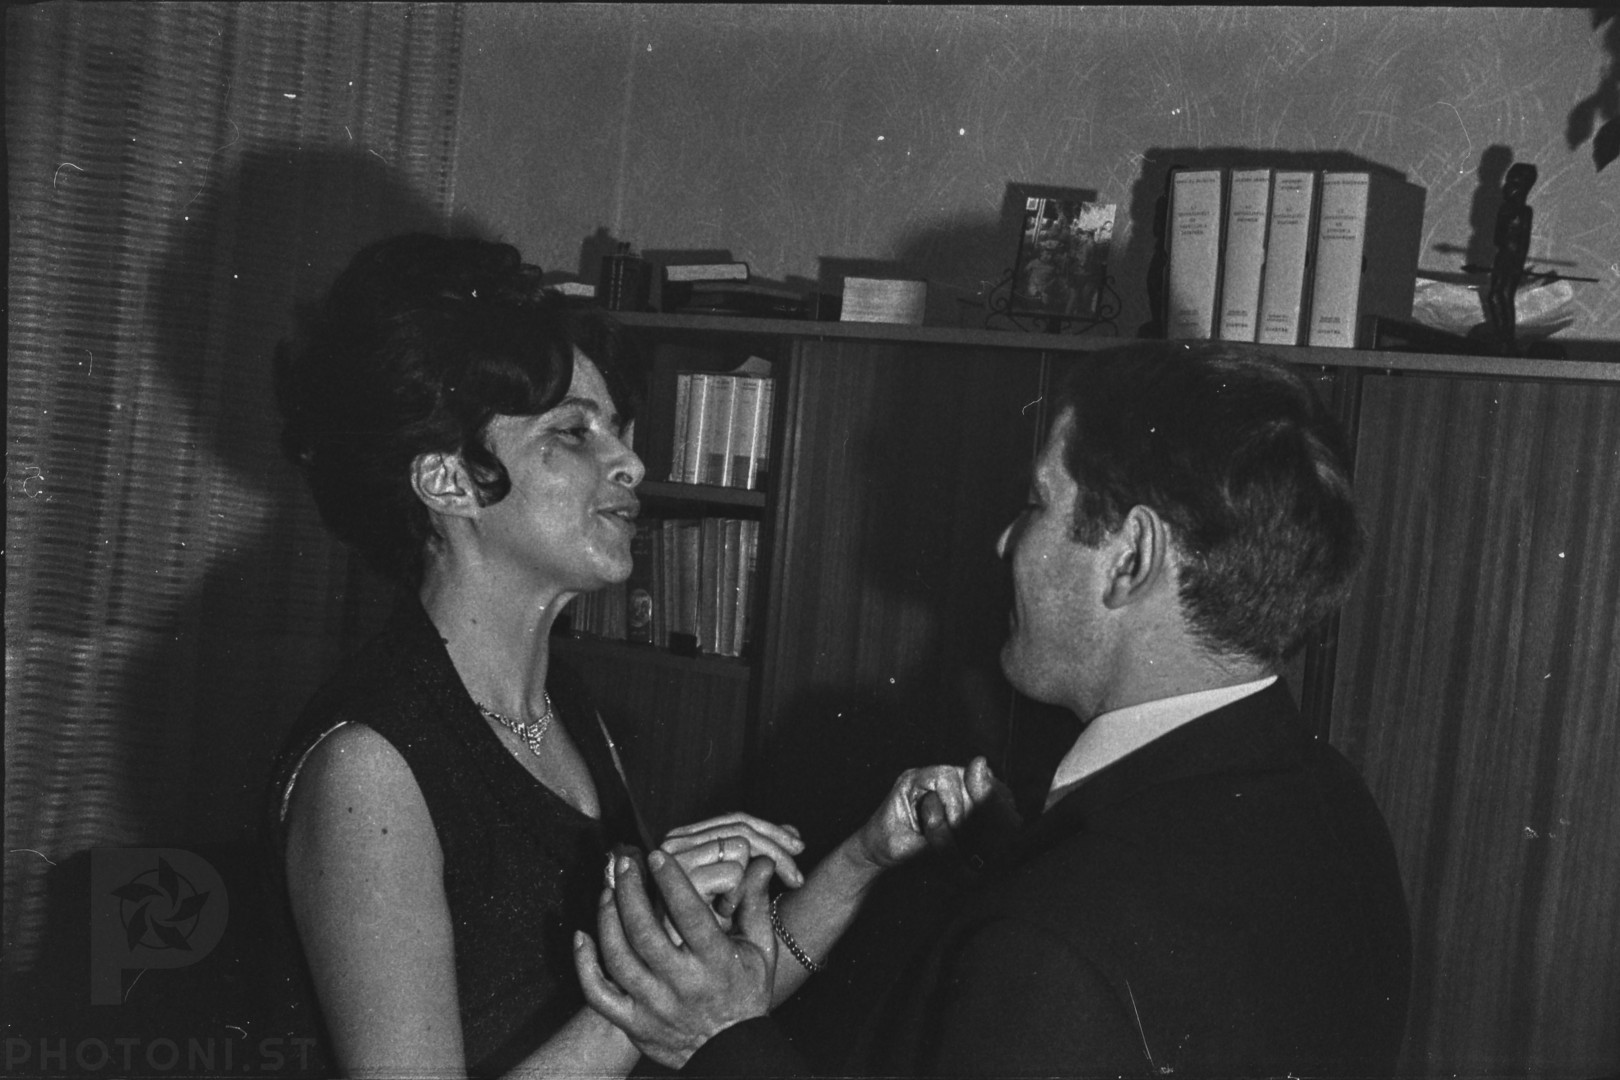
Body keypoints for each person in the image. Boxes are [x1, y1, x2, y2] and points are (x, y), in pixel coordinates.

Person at [576, 341, 1414, 1078]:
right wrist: (1022, 858)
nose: (1005, 541)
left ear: (1130, 559)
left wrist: (724, 1042)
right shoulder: (1336, 807)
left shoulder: (1053, 938)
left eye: (1038, 504)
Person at [267, 233, 823, 1079]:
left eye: (616, 430)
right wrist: (649, 970)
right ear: (450, 482)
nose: (630, 460)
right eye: (573, 432)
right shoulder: (368, 770)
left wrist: (869, 859)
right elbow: (660, 1015)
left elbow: (711, 1008)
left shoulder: (561, 703)